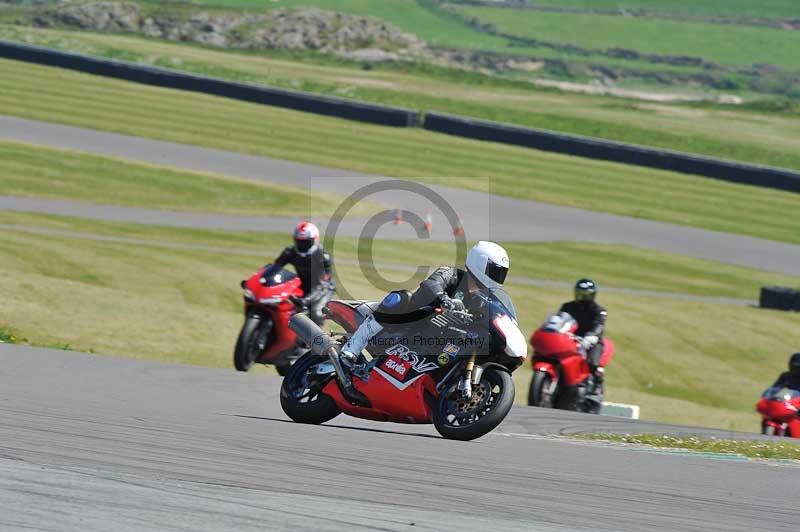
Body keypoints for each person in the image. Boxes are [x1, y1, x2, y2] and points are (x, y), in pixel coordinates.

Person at [340, 241, 511, 363]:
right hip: (413, 321)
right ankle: (352, 347)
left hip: (439, 338)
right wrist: (444, 299)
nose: (498, 277)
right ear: (479, 263)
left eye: (501, 273)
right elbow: (430, 284)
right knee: (400, 298)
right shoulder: (451, 274)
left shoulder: (483, 299)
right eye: (495, 271)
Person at [273, 221, 334, 326]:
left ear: (315, 240)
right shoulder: (290, 252)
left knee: (316, 314)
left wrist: (305, 300)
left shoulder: (323, 257)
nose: (302, 245)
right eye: (300, 242)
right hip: (302, 284)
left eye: (306, 242)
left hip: (323, 289)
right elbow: (275, 268)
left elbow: (322, 285)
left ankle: (314, 336)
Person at [559, 278, 608, 385]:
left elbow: (599, 326)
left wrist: (591, 336)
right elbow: (559, 320)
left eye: (587, 295)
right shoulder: (567, 307)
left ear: (593, 294)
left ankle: (594, 388)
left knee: (592, 364)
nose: (583, 297)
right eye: (580, 294)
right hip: (570, 338)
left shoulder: (599, 311)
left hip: (591, 341)